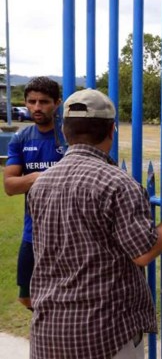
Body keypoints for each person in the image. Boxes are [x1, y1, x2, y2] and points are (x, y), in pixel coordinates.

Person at [27, 89, 162, 359]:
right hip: (104, 336)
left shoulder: (40, 183)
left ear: (65, 130)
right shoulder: (118, 184)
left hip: (48, 331)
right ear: (111, 130)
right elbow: (144, 252)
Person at [3, 77, 65, 311]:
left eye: (44, 102)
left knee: (66, 292)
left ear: (57, 103)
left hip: (66, 230)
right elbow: (9, 186)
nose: (37, 107)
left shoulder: (68, 136)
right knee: (27, 297)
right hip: (33, 230)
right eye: (32, 101)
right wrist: (42, 177)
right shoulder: (21, 138)